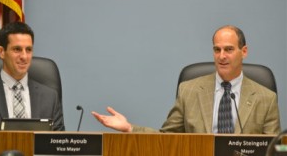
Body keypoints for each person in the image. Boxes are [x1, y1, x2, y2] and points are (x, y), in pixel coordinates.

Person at [92, 25, 281, 134]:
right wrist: (129, 128)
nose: (221, 56)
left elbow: (276, 150)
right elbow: (166, 139)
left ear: (244, 52)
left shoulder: (266, 98)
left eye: (229, 49)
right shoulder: (189, 90)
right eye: (217, 49)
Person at [0, 22, 65, 130]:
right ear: (1, 52)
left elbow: (58, 143)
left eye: (28, 50)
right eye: (17, 49)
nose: (24, 56)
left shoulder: (50, 97)